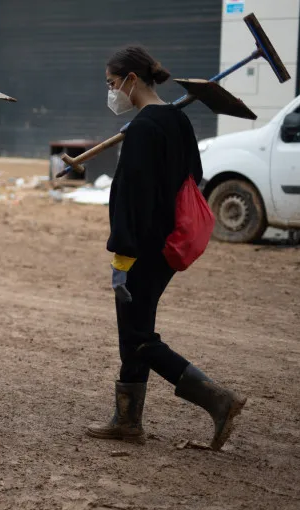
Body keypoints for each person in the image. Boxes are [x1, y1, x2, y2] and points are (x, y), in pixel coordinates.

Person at [86, 46, 247, 450]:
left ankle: (218, 399)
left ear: (131, 80)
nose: (111, 92)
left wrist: (122, 255)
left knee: (139, 337)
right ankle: (127, 420)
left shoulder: (143, 129)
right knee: (134, 330)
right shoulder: (177, 119)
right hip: (169, 243)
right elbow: (193, 176)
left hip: (142, 249)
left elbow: (129, 199)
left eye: (111, 84)